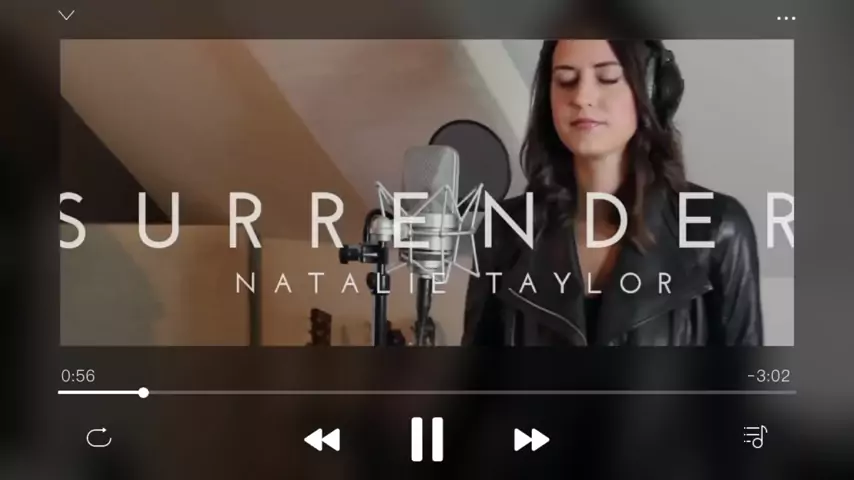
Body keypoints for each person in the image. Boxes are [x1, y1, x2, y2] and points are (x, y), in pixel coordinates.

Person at [461, 39, 763, 346]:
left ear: (653, 91)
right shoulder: (502, 232)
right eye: (565, 80)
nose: (581, 97)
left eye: (607, 78)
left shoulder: (718, 229)